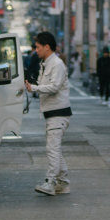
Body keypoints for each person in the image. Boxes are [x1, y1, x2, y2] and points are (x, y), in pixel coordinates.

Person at [25, 31, 71, 194]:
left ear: (47, 47)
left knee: (52, 149)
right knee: (55, 149)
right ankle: (63, 182)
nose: (36, 50)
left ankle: (51, 182)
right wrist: (32, 84)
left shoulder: (56, 64)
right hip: (53, 113)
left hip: (58, 113)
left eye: (38, 47)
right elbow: (46, 85)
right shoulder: (47, 63)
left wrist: (35, 87)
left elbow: (54, 86)